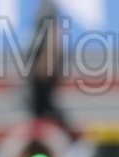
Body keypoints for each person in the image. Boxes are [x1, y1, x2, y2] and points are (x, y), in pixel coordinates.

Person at [28, 0, 73, 137]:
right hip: (41, 72)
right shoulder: (46, 7)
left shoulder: (47, 8)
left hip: (43, 74)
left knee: (45, 109)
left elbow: (52, 32)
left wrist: (45, 65)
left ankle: (66, 140)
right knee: (42, 110)